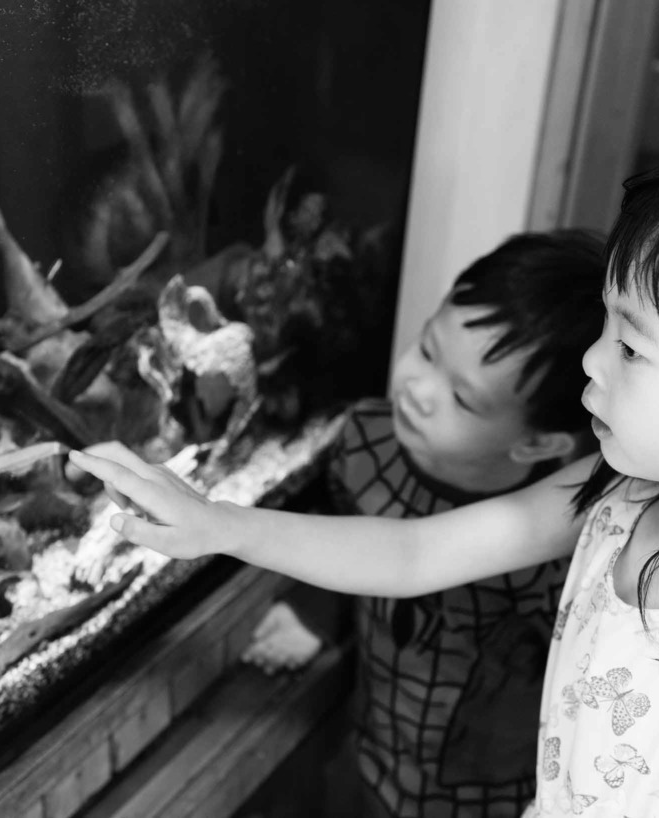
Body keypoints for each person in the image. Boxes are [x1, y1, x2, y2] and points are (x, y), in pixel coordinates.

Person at [69, 125, 659, 817]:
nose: (592, 359)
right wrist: (217, 523)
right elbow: (415, 551)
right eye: (604, 323)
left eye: (632, 348)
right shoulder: (611, 502)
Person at [241, 229, 607, 818]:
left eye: (462, 399)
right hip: (371, 753)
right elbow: (339, 523)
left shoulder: (562, 531)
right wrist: (315, 612)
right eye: (429, 348)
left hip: (496, 794)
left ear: (538, 441)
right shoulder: (365, 443)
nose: (418, 387)